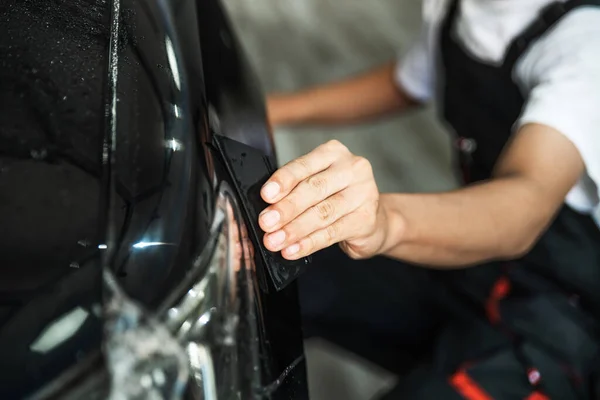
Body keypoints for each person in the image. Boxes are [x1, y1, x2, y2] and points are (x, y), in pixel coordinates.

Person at [258, 0, 600, 398]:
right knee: (273, 266)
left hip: (550, 322)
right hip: (468, 269)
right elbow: (406, 82)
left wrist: (387, 221)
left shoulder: (585, 43)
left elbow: (525, 202)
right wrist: (265, 110)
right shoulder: (462, 9)